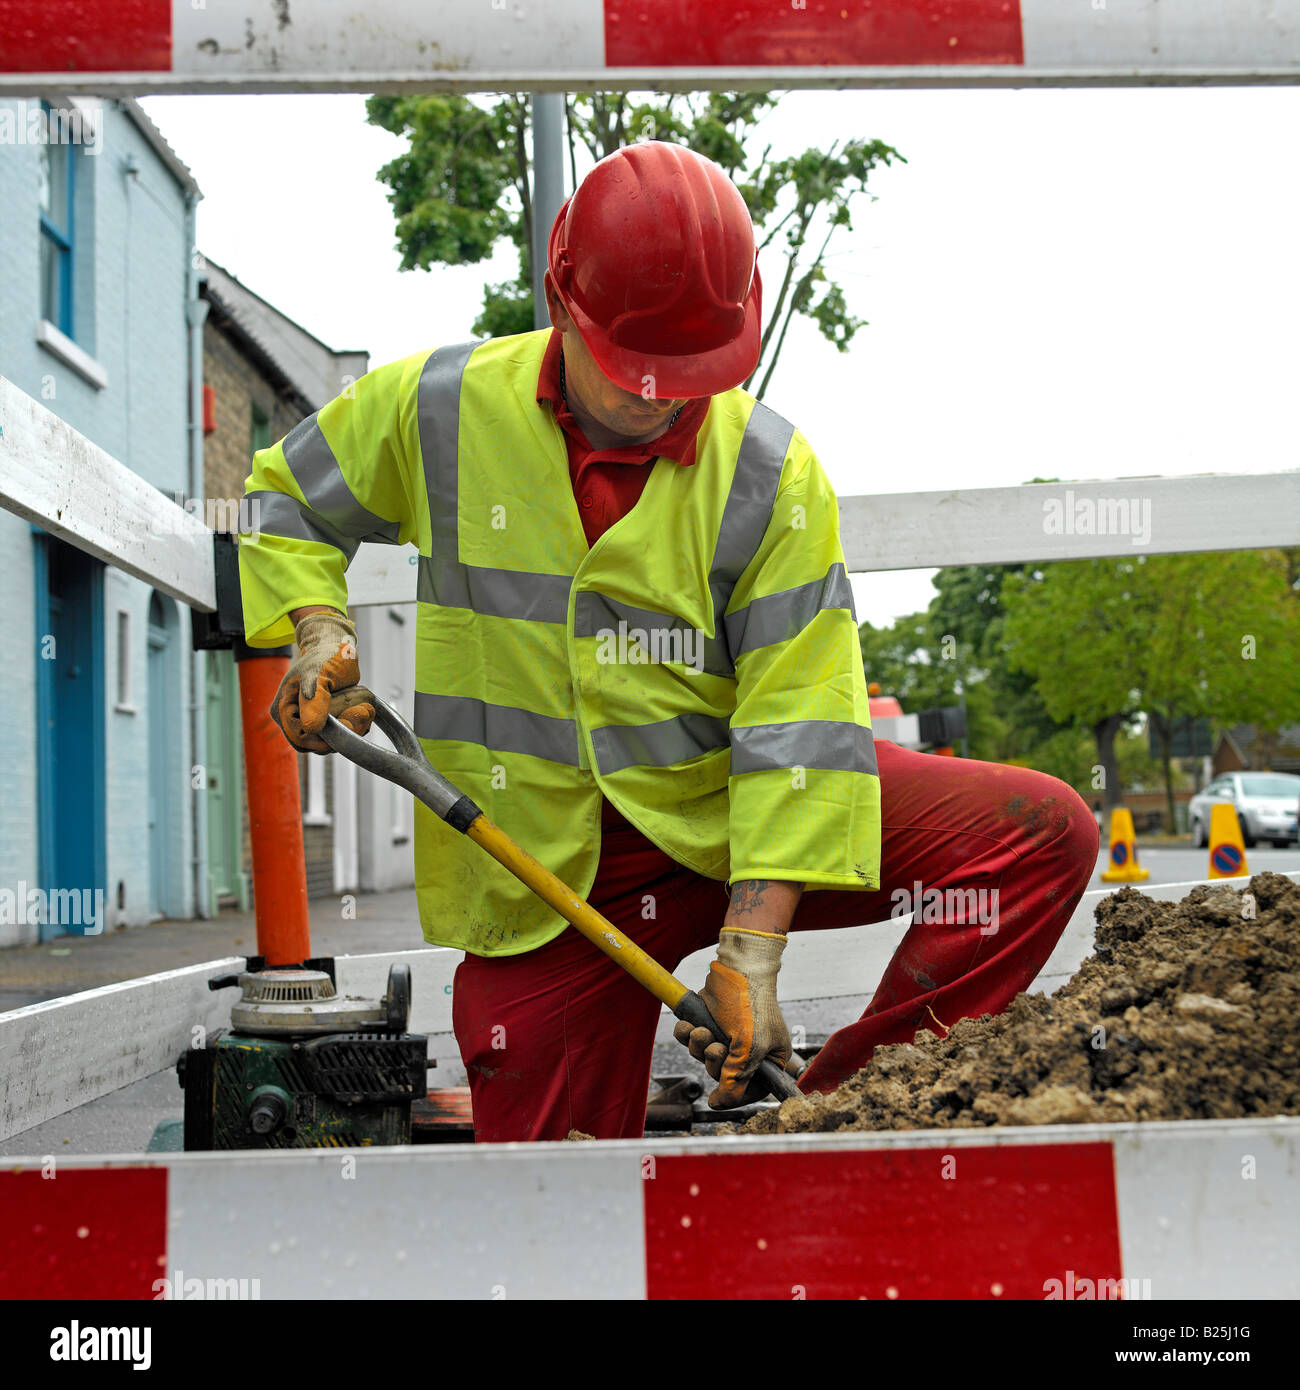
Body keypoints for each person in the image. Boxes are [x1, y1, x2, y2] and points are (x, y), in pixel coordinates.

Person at [239, 141, 1097, 1142]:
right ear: (563, 300)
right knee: (551, 1181)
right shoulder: (436, 409)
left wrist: (754, 950)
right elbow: (283, 496)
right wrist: (320, 628)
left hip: (731, 817)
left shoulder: (766, 471)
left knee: (1035, 835)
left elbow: (802, 724)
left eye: (687, 373)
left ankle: (852, 1118)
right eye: (633, 370)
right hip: (550, 870)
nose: (659, 397)